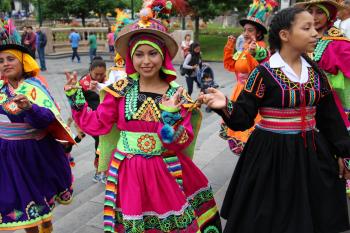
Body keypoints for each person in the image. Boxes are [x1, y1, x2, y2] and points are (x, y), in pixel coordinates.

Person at [64, 6, 222, 233]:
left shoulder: (176, 94)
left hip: (166, 170)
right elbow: (97, 124)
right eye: (139, 54)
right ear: (130, 57)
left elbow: (181, 141)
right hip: (128, 171)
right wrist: (75, 97)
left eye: (152, 53)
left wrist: (169, 117)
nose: (146, 61)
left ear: (163, 56)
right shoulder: (119, 90)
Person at [199, 7, 350, 233]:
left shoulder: (315, 72)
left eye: (314, 27)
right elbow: (243, 118)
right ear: (284, 35)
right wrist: (226, 106)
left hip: (311, 153)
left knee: (311, 214)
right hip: (270, 155)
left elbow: (330, 117)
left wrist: (343, 152)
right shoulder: (264, 73)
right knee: (267, 217)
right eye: (306, 28)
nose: (316, 33)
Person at [0, 18, 74, 233]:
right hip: (7, 154)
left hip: (34, 152)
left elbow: (48, 120)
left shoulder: (35, 87)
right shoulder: (1, 89)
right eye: (1, 60)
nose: (5, 64)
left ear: (24, 62)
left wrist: (30, 108)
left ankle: (46, 224)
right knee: (21, 202)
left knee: (38, 199)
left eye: (10, 59)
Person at [296, 0, 350, 198]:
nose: (314, 16)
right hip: (299, 104)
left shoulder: (337, 43)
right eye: (310, 11)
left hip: (328, 106)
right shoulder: (298, 38)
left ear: (330, 15)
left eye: (320, 12)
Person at [221, 0, 275, 155]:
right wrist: (230, 46)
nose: (245, 33)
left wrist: (255, 50)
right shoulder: (243, 49)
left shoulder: (260, 48)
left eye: (250, 30)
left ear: (258, 33)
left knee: (251, 137)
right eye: (244, 30)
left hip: (253, 94)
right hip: (239, 92)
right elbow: (230, 65)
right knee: (239, 135)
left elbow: (263, 57)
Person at [76, 57, 108, 182]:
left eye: (102, 74)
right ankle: (99, 171)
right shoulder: (83, 83)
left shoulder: (108, 81)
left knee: (104, 143)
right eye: (96, 74)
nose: (99, 77)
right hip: (92, 120)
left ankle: (102, 171)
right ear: (90, 71)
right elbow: (77, 104)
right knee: (100, 141)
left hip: (106, 118)